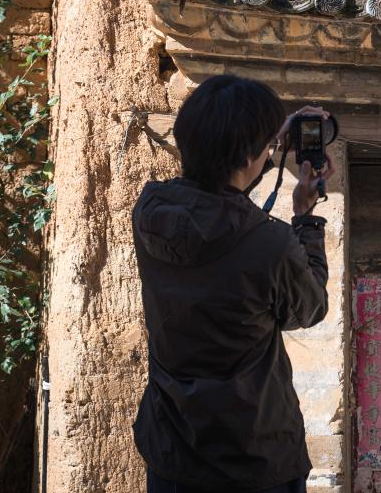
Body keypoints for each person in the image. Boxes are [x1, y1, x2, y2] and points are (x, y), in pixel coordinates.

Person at [131, 75, 335, 493]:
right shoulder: (270, 244)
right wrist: (306, 219)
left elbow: (219, 192)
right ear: (248, 156)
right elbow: (310, 308)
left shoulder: (149, 211)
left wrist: (265, 143)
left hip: (173, 450)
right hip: (253, 458)